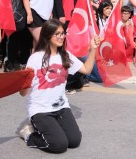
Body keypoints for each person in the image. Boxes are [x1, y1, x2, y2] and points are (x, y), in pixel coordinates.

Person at [18, 19, 101, 153]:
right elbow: (23, 93)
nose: (61, 37)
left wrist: (92, 49)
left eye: (62, 33)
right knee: (58, 145)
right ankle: (29, 134)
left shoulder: (65, 55)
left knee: (74, 141)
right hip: (40, 110)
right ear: (47, 36)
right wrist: (23, 81)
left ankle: (50, 128)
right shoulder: (35, 58)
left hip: (61, 107)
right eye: (57, 34)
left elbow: (86, 69)